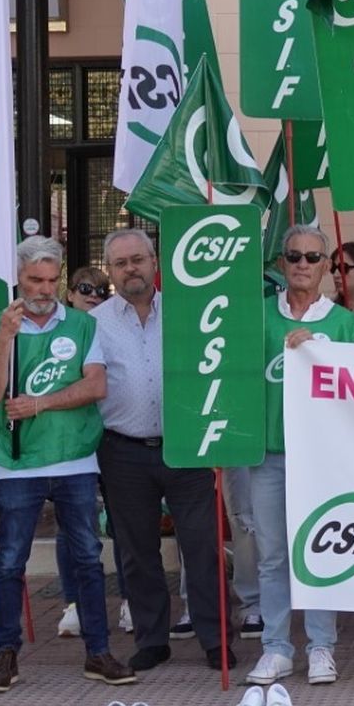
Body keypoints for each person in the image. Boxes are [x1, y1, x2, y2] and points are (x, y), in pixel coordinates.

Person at [0, 236, 133, 692]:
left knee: (86, 557)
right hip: (16, 462)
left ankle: (98, 652)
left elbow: (96, 385)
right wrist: (5, 338)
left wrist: (41, 404)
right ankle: (6, 655)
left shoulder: (83, 326)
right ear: (18, 279)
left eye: (50, 280)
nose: (43, 289)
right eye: (33, 280)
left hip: (75, 459)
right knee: (9, 562)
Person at [92, 229, 233, 673]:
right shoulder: (94, 323)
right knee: (136, 551)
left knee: (203, 548)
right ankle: (152, 640)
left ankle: (215, 639)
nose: (131, 268)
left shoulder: (191, 311)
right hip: (123, 450)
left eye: (138, 259)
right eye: (121, 263)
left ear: (156, 261)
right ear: (110, 271)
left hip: (187, 446)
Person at [245, 224, 354, 686]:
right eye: (293, 256)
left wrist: (321, 351)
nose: (302, 264)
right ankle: (277, 647)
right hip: (268, 455)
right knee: (273, 556)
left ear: (325, 267)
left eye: (312, 258)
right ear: (282, 263)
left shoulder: (346, 325)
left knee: (319, 552)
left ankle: (321, 647)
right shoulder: (255, 316)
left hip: (322, 459)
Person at [56, 266, 133, 639]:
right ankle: (74, 603)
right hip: (73, 439)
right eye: (84, 288)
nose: (93, 294)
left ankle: (129, 599)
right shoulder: (56, 331)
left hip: (115, 435)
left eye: (103, 289)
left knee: (124, 522)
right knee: (74, 524)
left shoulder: (116, 326)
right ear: (68, 293)